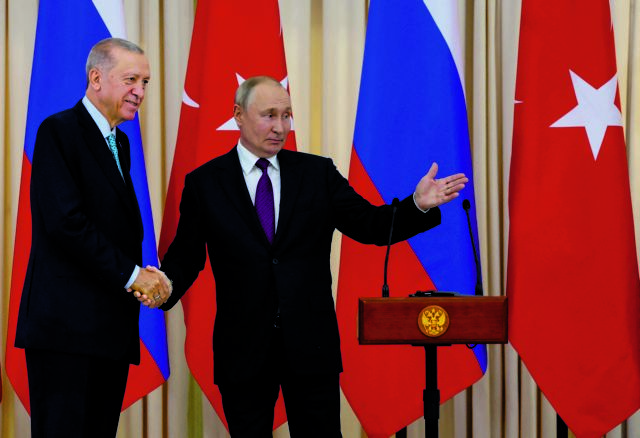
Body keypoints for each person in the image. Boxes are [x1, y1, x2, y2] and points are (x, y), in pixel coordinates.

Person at [149, 75, 467, 437]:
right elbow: (186, 256)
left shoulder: (317, 174)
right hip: (243, 350)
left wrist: (417, 205)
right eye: (269, 115)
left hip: (312, 347)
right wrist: (163, 285)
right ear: (238, 115)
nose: (280, 127)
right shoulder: (205, 183)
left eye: (286, 115)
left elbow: (371, 225)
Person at [14, 37, 171, 438]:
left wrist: (144, 275)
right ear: (96, 78)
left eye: (145, 82)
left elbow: (112, 226)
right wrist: (133, 276)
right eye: (131, 79)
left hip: (108, 329)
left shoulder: (121, 141)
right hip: (65, 330)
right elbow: (67, 223)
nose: (140, 91)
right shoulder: (59, 131)